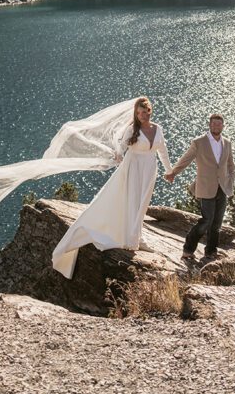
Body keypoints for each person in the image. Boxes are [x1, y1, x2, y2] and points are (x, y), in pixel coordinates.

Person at [52, 96, 173, 278]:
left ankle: (137, 236)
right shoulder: (132, 129)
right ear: (136, 113)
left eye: (145, 112)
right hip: (132, 168)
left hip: (150, 169)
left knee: (143, 202)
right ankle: (134, 239)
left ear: (150, 111)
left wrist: (169, 171)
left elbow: (162, 151)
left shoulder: (158, 129)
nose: (142, 116)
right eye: (139, 113)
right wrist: (116, 155)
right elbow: (121, 148)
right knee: (133, 202)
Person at [164, 112, 235, 262]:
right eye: (214, 123)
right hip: (205, 187)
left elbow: (230, 165)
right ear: (210, 125)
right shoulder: (199, 142)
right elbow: (186, 159)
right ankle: (188, 249)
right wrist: (173, 173)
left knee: (216, 224)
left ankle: (211, 251)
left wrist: (231, 181)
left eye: (219, 124)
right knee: (206, 221)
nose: (216, 126)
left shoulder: (227, 143)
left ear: (223, 126)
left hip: (222, 187)